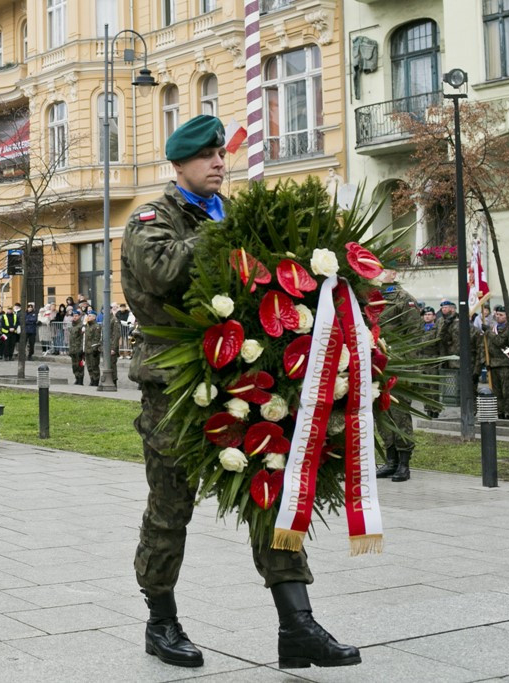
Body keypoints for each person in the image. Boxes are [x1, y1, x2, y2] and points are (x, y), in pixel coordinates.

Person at [121, 114, 358, 670]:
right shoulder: (151, 220)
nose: (219, 163)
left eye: (221, 155)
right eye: (206, 157)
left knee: (272, 499)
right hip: (174, 392)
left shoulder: (229, 212)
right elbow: (164, 272)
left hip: (244, 379)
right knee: (168, 509)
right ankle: (161, 621)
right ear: (178, 165)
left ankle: (297, 624)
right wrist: (232, 232)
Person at [375, 281, 421, 482]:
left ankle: (404, 463)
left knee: (399, 414)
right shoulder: (371, 297)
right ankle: (391, 460)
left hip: (399, 366)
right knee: (382, 414)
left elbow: (414, 335)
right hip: (378, 365)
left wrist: (406, 367)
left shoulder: (404, 299)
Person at [485, 304, 509, 420]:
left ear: (506, 316)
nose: (498, 317)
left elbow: (500, 341)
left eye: (501, 315)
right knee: (497, 391)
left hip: (505, 364)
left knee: (507, 390)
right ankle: (500, 411)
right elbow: (487, 347)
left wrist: (488, 332)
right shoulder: (493, 328)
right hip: (493, 364)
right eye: (497, 314)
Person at [419, 306, 441, 418]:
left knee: (433, 386)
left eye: (429, 315)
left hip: (433, 360)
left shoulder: (436, 328)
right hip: (422, 360)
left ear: (434, 316)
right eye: (425, 315)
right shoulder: (420, 329)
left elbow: (439, 343)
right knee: (424, 386)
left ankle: (435, 409)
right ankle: (427, 407)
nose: (427, 317)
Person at [82, 309, 102, 386]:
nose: (88, 317)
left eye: (89, 316)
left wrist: (95, 349)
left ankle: (96, 380)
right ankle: (92, 379)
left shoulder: (96, 326)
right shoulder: (87, 326)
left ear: (94, 317)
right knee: (89, 366)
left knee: (94, 366)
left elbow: (97, 339)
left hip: (93, 350)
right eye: (88, 316)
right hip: (87, 349)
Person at [67, 309, 85, 385]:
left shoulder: (81, 326)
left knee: (80, 365)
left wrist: (82, 349)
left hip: (79, 349)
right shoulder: (73, 326)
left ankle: (80, 379)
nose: (74, 317)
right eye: (73, 316)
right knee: (74, 365)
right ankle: (76, 378)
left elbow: (82, 338)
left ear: (79, 316)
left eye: (76, 316)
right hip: (73, 349)